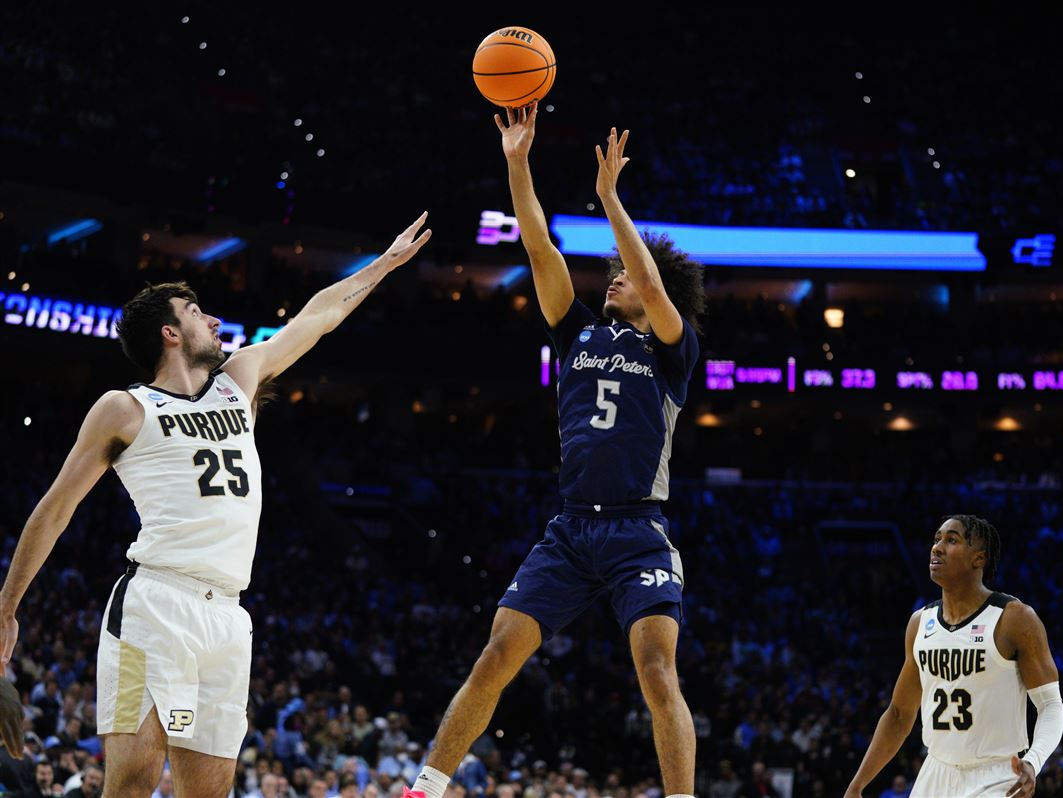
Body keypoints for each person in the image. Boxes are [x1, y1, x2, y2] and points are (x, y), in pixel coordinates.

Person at [0, 214, 431, 797]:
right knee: (130, 784)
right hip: (153, 608)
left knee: (208, 792)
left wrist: (384, 265)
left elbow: (319, 318)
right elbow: (54, 509)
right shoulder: (125, 409)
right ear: (170, 334)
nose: (214, 318)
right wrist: (7, 608)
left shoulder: (239, 379)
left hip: (227, 618)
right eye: (197, 311)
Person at [406, 103, 705, 798]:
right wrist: (517, 163)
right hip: (571, 527)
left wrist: (609, 199)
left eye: (623, 273)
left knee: (658, 671)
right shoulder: (575, 334)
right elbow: (539, 246)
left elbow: (652, 282)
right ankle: (424, 786)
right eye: (615, 271)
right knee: (496, 655)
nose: (616, 277)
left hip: (638, 529)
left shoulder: (672, 348)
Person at [844, 516, 1063, 798]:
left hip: (995, 776)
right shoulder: (920, 623)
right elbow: (899, 714)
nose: (937, 547)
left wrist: (1033, 762)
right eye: (937, 539)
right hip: (934, 771)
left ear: (979, 558)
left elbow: (1051, 706)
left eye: (951, 540)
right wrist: (857, 784)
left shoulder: (1014, 619)